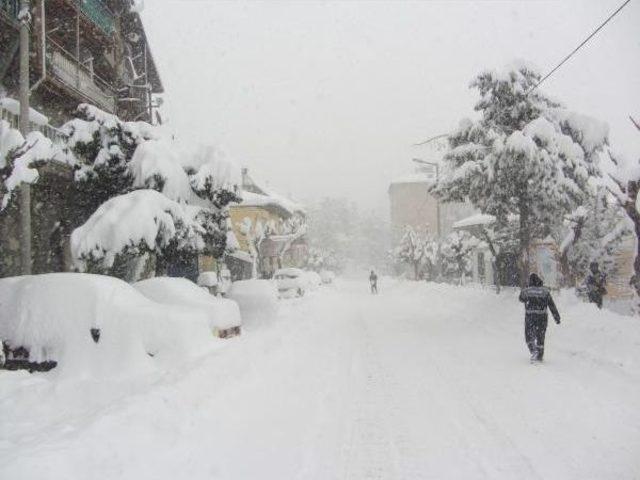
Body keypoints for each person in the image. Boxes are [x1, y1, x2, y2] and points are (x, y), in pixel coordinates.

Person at [518, 273, 561, 363]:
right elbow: (551, 305)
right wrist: (556, 317)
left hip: (530, 317)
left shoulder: (526, 291)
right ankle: (540, 355)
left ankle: (534, 351)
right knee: (540, 337)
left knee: (529, 337)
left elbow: (521, 299)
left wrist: (527, 289)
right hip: (542, 318)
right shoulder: (545, 291)